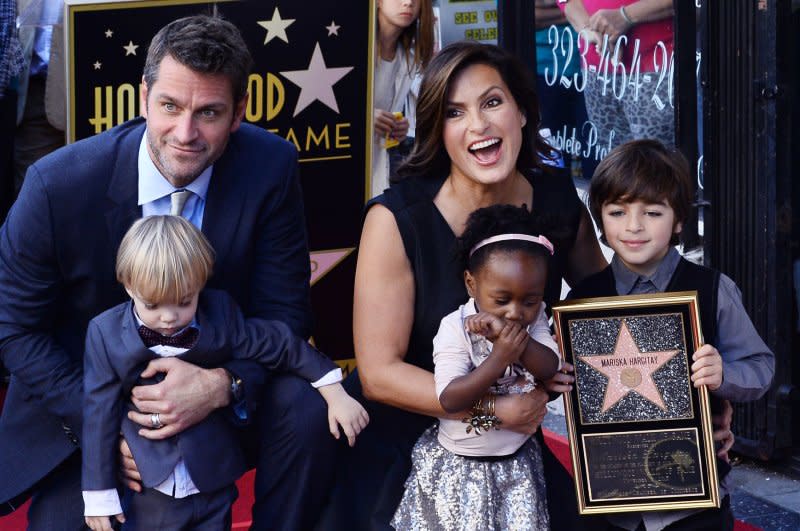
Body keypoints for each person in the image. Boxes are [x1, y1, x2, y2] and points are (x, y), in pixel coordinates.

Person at [0, 15, 335, 530]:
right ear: (143, 98)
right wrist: (104, 425)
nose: (185, 133)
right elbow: (15, 328)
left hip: (217, 400)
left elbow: (283, 313)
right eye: (170, 107)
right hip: (89, 405)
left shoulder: (269, 166)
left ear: (239, 112)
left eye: (209, 113)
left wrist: (223, 385)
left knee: (307, 407)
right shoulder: (57, 185)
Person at [319, 41, 609, 531]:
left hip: (510, 448)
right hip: (404, 438)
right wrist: (496, 411)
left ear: (521, 111)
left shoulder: (557, 203)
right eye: (455, 112)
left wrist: (700, 403)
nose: (479, 124)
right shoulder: (396, 219)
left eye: (492, 102)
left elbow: (606, 319)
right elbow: (379, 375)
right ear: (440, 131)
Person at [82, 216, 369, 531]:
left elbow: (279, 343)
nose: (168, 317)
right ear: (127, 286)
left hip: (212, 479)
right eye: (152, 305)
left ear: (200, 285)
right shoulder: (105, 332)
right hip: (150, 489)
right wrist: (99, 493)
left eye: (183, 302)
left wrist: (334, 391)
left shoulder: (219, 314)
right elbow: (99, 411)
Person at [567, 139, 775, 530]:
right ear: (600, 219)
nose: (633, 226)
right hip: (612, 502)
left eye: (652, 212)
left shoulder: (713, 290)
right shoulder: (582, 300)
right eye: (617, 211)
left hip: (696, 503)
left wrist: (724, 373)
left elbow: (761, 367)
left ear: (678, 220)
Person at [392, 204, 561, 530]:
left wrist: (515, 342)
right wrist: (500, 357)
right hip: (460, 467)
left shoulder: (535, 316)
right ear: (471, 284)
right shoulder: (455, 328)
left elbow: (549, 367)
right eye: (502, 300)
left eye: (529, 300)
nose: (515, 313)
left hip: (516, 464)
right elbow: (450, 398)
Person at [558, 0, 675, 151]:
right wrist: (587, 28)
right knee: (612, 162)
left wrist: (625, 16)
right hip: (597, 66)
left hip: (656, 66)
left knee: (657, 162)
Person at [371, 0, 434, 197]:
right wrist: (366, 116)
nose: (408, 3)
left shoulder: (408, 58)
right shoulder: (354, 45)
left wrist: (397, 126)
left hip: (378, 168)